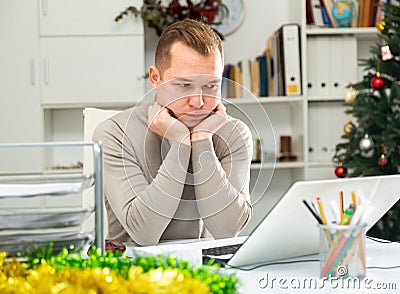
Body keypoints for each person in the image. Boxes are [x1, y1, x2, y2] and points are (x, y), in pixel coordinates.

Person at [93, 19, 253, 246]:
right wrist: (180, 143)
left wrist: (202, 139)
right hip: (136, 274)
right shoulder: (114, 134)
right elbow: (144, 233)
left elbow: (227, 230)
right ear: (155, 78)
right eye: (184, 85)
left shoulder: (234, 134)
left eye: (211, 86)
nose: (198, 102)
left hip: (208, 273)